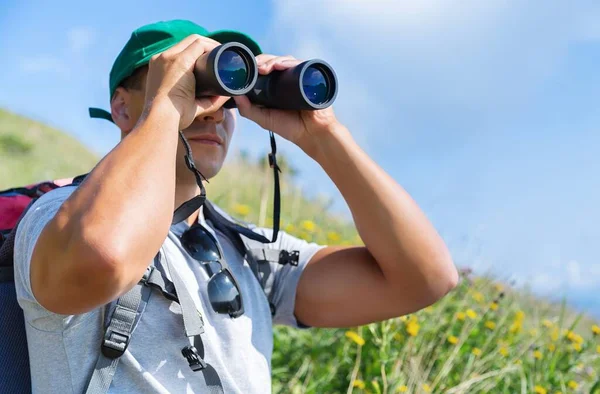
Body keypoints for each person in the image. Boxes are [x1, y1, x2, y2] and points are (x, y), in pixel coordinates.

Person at [13, 19, 458, 393]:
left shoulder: (246, 254)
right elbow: (102, 258)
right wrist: (166, 109)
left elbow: (425, 279)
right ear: (122, 107)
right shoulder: (60, 216)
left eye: (226, 94)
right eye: (194, 86)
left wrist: (323, 134)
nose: (212, 110)